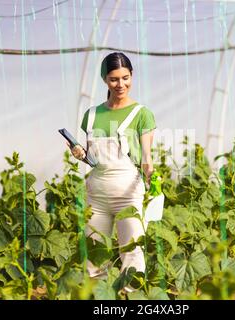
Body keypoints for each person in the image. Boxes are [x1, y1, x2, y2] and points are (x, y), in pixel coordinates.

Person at [67, 52, 156, 289]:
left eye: (125, 78)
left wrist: (150, 173)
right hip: (96, 195)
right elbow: (93, 159)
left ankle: (131, 297)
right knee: (95, 255)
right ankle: (100, 300)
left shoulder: (141, 114)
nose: (121, 85)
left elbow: (146, 155)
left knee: (132, 253)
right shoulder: (92, 115)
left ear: (132, 75)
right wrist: (80, 155)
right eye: (114, 79)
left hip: (128, 194)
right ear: (105, 80)